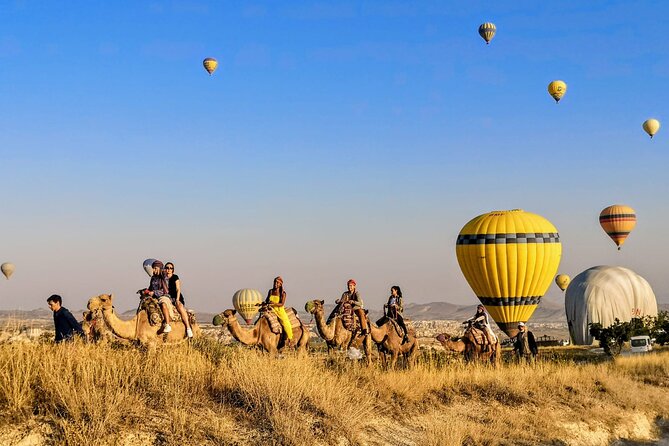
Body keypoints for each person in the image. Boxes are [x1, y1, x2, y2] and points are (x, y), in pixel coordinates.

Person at [139, 260, 173, 333]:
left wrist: (153, 292)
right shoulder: (153, 278)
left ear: (159, 268)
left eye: (154, 268)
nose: (153, 270)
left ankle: (167, 324)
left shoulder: (164, 276)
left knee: (163, 304)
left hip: (163, 295)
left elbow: (165, 290)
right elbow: (151, 288)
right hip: (154, 297)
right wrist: (145, 291)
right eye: (153, 268)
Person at [164, 262, 193, 338]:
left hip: (176, 297)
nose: (168, 269)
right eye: (167, 268)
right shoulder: (163, 278)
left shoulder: (175, 277)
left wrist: (177, 299)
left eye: (171, 268)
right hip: (167, 298)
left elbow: (178, 289)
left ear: (173, 270)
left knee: (179, 307)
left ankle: (188, 328)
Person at [265, 276, 293, 345]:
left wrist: (273, 304)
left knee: (285, 322)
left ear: (280, 284)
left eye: (277, 282)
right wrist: (261, 303)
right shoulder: (270, 291)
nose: (275, 284)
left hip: (279, 310)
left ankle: (290, 338)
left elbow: (282, 304)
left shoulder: (283, 293)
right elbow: (266, 300)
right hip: (270, 309)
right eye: (274, 282)